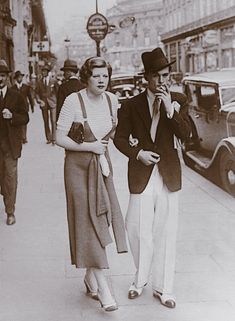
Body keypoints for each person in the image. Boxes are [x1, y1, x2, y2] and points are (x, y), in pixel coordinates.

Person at [114, 48, 192, 308]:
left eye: (166, 75)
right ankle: (140, 277)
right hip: (142, 172)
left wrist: (171, 109)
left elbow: (187, 134)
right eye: (157, 76)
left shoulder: (179, 99)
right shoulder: (131, 105)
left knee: (166, 231)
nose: (162, 81)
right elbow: (120, 139)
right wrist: (138, 154)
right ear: (146, 77)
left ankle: (164, 287)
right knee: (135, 228)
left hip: (168, 174)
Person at [56, 57, 128, 312]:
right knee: (87, 223)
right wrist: (90, 146)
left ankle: (89, 278)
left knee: (101, 220)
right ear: (86, 77)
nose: (101, 80)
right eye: (96, 76)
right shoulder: (73, 101)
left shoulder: (112, 100)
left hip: (101, 166)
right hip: (77, 168)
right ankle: (104, 290)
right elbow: (58, 138)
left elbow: (114, 132)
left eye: (105, 76)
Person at [0, 60, 29, 225]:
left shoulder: (16, 96)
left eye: (2, 76)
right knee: (3, 180)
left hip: (10, 146)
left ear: (7, 77)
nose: (0, 79)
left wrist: (12, 117)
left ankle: (10, 212)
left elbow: (25, 117)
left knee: (10, 179)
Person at [35, 64, 58, 145]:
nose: (43, 72)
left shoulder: (53, 81)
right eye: (43, 71)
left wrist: (57, 101)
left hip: (52, 102)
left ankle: (54, 139)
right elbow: (36, 93)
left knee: (53, 120)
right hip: (43, 103)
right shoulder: (39, 82)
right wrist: (38, 100)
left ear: (48, 72)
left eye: (45, 71)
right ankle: (48, 138)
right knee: (46, 121)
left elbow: (57, 92)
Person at [11, 70, 35, 143]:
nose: (19, 78)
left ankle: (24, 137)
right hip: (16, 108)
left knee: (24, 121)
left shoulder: (26, 87)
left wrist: (32, 106)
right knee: (18, 122)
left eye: (21, 77)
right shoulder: (13, 88)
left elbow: (30, 97)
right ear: (16, 78)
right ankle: (20, 137)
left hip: (24, 107)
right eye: (18, 77)